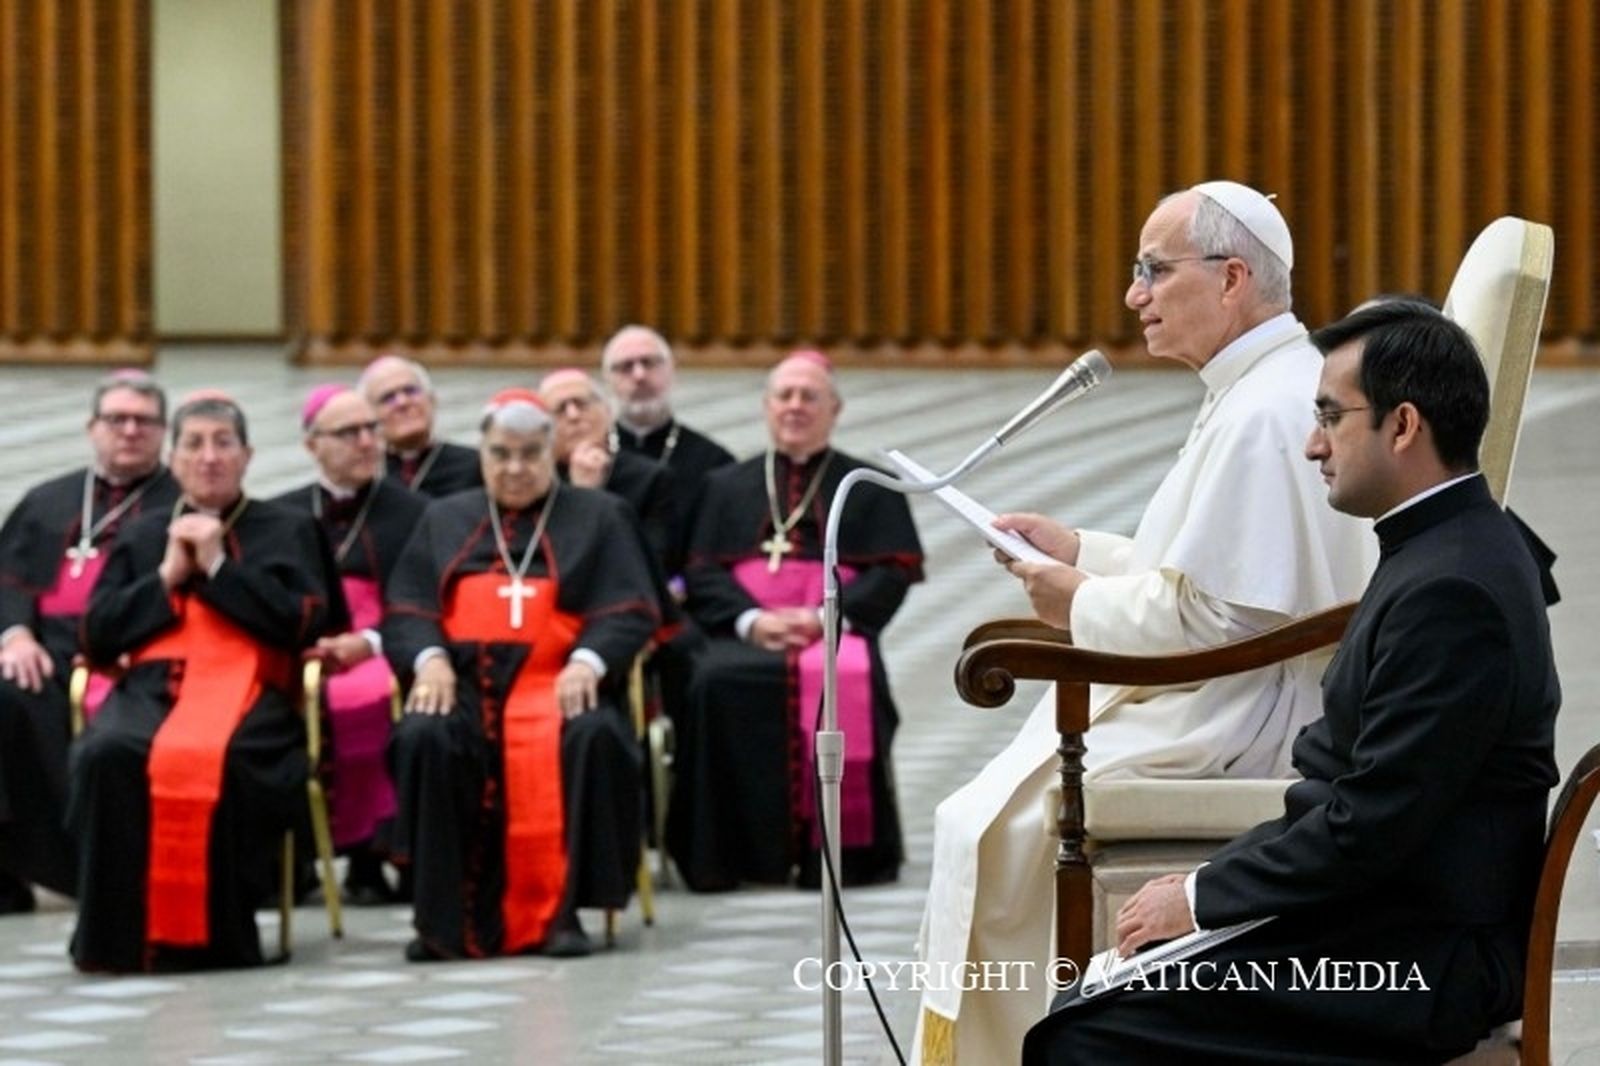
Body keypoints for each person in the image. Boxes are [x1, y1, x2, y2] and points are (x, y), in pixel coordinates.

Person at [1023, 300, 1561, 1064]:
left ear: (1403, 427)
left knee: (1086, 1036)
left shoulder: (1454, 591)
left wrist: (1201, 897)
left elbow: (1372, 822)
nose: (1313, 446)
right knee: (1095, 1000)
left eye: (1331, 417)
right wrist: (1210, 890)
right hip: (1388, 924)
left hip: (1415, 965)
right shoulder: (1452, 542)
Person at [915, 181, 1378, 1064]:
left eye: (1152, 271)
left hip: (1241, 715)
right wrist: (1081, 552)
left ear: (1234, 277)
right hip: (1233, 683)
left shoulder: (1267, 407)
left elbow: (1223, 617)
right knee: (979, 813)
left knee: (998, 826)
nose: (1134, 296)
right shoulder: (1263, 384)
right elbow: (1210, 572)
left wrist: (1075, 603)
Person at [67, 392, 345, 973]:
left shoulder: (289, 529)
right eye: (194, 444)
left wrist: (220, 569)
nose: (209, 457)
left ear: (247, 456)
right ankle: (118, 941)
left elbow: (306, 622)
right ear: (173, 459)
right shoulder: (144, 537)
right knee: (106, 752)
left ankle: (217, 939)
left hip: (252, 690)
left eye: (224, 443)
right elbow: (97, 634)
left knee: (232, 758)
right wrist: (167, 576)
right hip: (152, 687)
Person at [383, 388, 660, 961]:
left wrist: (589, 661)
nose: (515, 468)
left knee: (593, 736)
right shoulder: (444, 517)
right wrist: (429, 660)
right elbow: (407, 608)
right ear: (480, 454)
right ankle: (440, 920)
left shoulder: (601, 516)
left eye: (530, 454)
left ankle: (566, 915)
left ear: (553, 450)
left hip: (559, 683)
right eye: (501, 454)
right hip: (463, 686)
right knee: (423, 735)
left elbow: (631, 606)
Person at [666, 351, 924, 890]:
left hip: (833, 630)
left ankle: (840, 856)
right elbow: (700, 570)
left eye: (810, 396)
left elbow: (893, 573)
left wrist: (826, 617)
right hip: (749, 629)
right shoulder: (724, 485)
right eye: (784, 396)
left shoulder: (866, 484)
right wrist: (750, 620)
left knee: (850, 678)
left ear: (835, 409)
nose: (796, 406)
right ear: (766, 407)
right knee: (712, 680)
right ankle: (729, 856)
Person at [0, 371, 181, 913]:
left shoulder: (179, 503)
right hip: (46, 654)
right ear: (91, 428)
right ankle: (10, 866)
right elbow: (6, 578)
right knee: (5, 695)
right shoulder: (47, 499)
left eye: (143, 421)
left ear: (162, 432)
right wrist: (14, 635)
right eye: (117, 420)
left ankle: (93, 862)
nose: (129, 431)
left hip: (134, 656)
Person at [272, 385, 428, 904]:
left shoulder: (418, 513)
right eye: (349, 433)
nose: (367, 442)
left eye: (371, 429)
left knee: (371, 699)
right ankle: (295, 861)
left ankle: (382, 853)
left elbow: (426, 598)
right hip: (306, 647)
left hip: (387, 643)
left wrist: (370, 640)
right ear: (313, 445)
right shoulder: (282, 514)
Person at [600, 324, 735, 563]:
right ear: (607, 382)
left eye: (649, 363)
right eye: (625, 367)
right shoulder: (592, 456)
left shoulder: (714, 461)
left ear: (673, 372)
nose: (639, 375)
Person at [538, 367, 678, 575]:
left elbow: (650, 562)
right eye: (559, 409)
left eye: (582, 404)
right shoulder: (533, 482)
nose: (573, 415)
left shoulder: (650, 478)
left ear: (607, 411)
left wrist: (590, 498)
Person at [358, 355, 483, 497]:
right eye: (388, 397)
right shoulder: (363, 474)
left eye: (410, 391)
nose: (402, 402)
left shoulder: (477, 465)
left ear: (432, 400)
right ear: (370, 416)